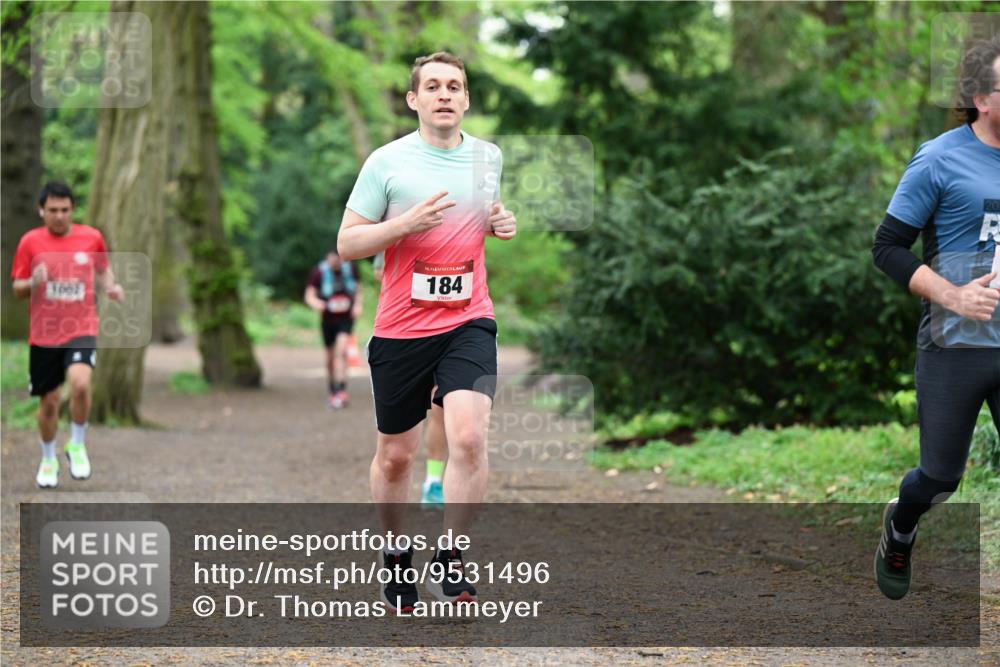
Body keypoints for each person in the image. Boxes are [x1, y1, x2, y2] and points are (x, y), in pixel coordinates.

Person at [338, 51, 516, 612]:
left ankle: (451, 556)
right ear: (414, 100)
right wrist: (402, 225)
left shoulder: (488, 158)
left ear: (465, 100)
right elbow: (348, 243)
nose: (445, 94)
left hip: (469, 318)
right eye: (433, 86)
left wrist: (498, 220)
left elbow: (481, 215)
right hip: (401, 329)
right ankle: (395, 559)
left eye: (454, 86)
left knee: (467, 437)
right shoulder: (386, 163)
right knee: (396, 456)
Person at [871, 36, 1000, 600]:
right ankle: (902, 524)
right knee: (942, 478)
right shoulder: (940, 157)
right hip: (956, 344)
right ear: (982, 98)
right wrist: (952, 296)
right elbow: (888, 248)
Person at [10, 181, 124, 489]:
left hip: (81, 327)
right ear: (41, 211)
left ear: (73, 209)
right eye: (52, 211)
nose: (59, 216)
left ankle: (76, 443)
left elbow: (102, 269)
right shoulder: (30, 242)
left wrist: (111, 286)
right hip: (44, 334)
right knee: (49, 402)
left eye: (64, 210)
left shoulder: (91, 237)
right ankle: (48, 458)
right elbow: (17, 288)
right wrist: (33, 281)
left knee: (81, 384)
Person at [374, 250, 448, 508]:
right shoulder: (398, 221)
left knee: (442, 408)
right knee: (396, 451)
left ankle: (433, 481)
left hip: (454, 331)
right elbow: (377, 270)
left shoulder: (464, 221)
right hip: (404, 333)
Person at [304, 249, 362, 409]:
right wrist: (318, 304)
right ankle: (332, 389)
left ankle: (341, 390)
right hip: (328, 320)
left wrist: (358, 305)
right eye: (332, 261)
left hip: (345, 319)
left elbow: (358, 289)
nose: (335, 263)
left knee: (341, 351)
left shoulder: (350, 270)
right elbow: (309, 295)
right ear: (327, 259)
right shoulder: (319, 272)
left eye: (338, 260)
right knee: (330, 357)